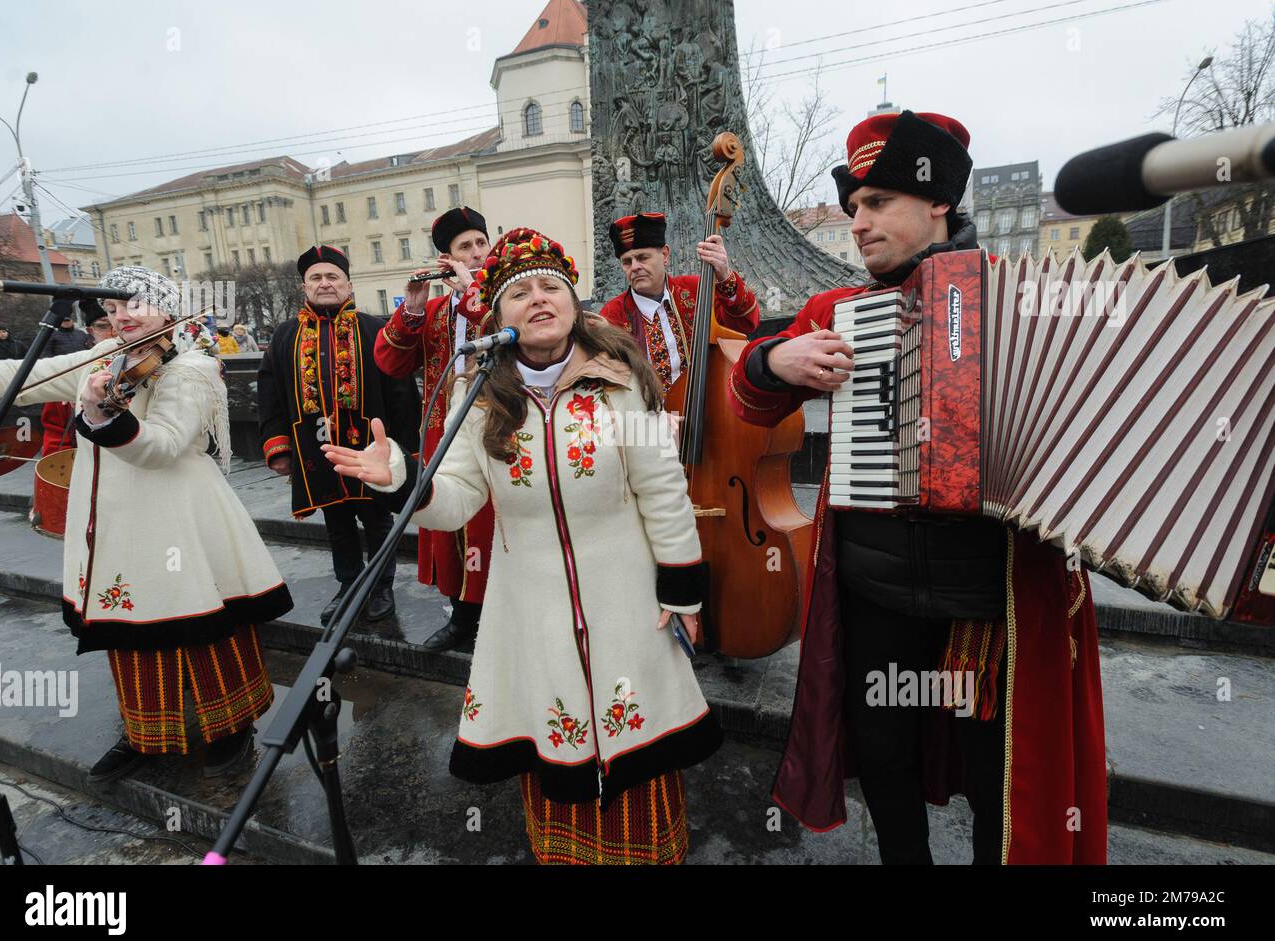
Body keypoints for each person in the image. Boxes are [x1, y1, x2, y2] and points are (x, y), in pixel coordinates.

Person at [726, 110, 1107, 865]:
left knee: (1000, 768)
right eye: (854, 207)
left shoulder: (1018, 299)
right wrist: (774, 362)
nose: (858, 223)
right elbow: (747, 396)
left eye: (876, 203)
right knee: (883, 749)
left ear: (938, 202)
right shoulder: (835, 313)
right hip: (874, 591)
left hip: (988, 600)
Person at [326, 228, 723, 864]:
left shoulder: (627, 378)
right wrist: (403, 476)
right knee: (555, 742)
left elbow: (663, 490)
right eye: (519, 292)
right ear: (496, 315)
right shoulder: (476, 392)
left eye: (550, 287)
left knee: (638, 749)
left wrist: (681, 586)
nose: (538, 299)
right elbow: (456, 497)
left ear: (572, 302)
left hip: (626, 599)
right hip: (529, 606)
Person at [0, 266, 294, 781]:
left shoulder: (190, 367)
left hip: (179, 519)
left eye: (134, 305)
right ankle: (145, 735)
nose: (120, 317)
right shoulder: (105, 360)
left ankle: (232, 729)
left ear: (167, 309)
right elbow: (31, 372)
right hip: (113, 522)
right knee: (127, 628)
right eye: (113, 309)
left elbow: (163, 445)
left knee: (203, 623)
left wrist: (104, 417)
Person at [257, 245, 419, 625]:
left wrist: (406, 451)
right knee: (337, 523)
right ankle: (348, 584)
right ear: (304, 287)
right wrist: (278, 447)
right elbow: (270, 394)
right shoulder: (285, 336)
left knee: (377, 520)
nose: (325, 283)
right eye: (316, 277)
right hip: (317, 449)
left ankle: (381, 587)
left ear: (349, 285)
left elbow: (400, 390)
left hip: (370, 448)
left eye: (333, 277)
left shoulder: (375, 329)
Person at [372, 207, 493, 652]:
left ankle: (500, 617)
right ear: (446, 258)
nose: (477, 253)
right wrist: (413, 308)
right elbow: (390, 362)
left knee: (493, 525)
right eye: (465, 247)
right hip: (444, 430)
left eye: (481, 243)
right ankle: (462, 620)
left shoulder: (506, 295)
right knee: (449, 523)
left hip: (499, 428)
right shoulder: (437, 310)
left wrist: (475, 293)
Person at [597, 212, 760, 395]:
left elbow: (746, 322)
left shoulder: (696, 290)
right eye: (627, 262)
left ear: (665, 255)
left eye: (643, 258)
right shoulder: (612, 315)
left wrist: (724, 274)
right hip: (651, 418)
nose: (635, 267)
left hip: (708, 408)